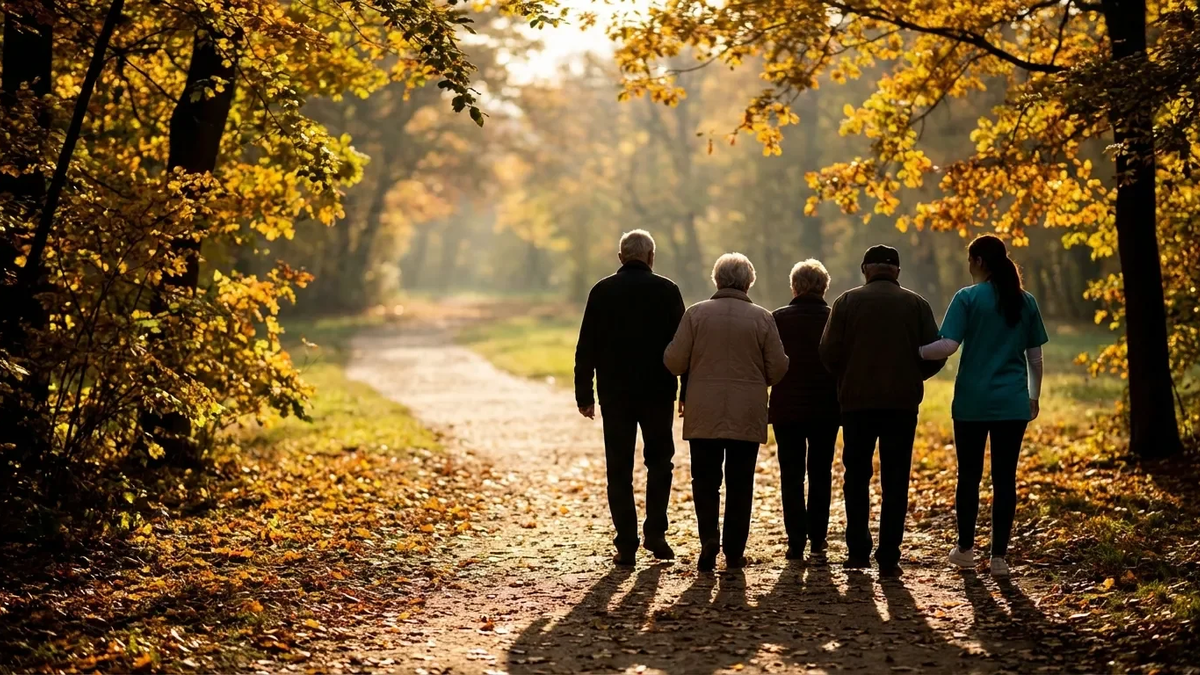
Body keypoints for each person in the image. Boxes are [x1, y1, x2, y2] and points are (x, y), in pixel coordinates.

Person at [919, 235, 1048, 577]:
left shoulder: (967, 298)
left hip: (972, 402)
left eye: (969, 260)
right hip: (1012, 403)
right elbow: (1035, 357)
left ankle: (965, 550)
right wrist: (1033, 396)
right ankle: (999, 558)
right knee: (1005, 479)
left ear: (978, 261)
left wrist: (913, 351)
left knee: (969, 476)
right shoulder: (1026, 301)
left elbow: (946, 346)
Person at [819, 245, 945, 577]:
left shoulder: (846, 302)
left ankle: (858, 551)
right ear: (897, 272)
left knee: (856, 477)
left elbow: (828, 351)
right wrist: (913, 375)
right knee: (896, 479)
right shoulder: (917, 304)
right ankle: (889, 554)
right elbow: (936, 353)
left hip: (857, 403)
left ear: (865, 269)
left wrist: (847, 376)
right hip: (901, 404)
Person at [664, 253, 789, 572]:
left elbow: (674, 362)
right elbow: (776, 368)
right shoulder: (762, 318)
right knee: (740, 481)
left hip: (703, 409)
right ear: (749, 281)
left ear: (716, 280)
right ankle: (734, 550)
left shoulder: (696, 315)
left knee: (704, 479)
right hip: (746, 410)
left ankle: (708, 539)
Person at [574, 229, 686, 566]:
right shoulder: (668, 291)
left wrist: (584, 393)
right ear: (651, 257)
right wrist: (686, 389)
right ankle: (656, 532)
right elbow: (683, 347)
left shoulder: (602, 291)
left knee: (619, 467)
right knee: (660, 462)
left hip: (615, 394)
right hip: (657, 392)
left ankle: (626, 541)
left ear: (620, 257)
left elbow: (586, 346)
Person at [770, 259, 840, 562]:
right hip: (827, 406)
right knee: (821, 472)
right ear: (824, 287)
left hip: (787, 408)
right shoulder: (834, 318)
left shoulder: (778, 318)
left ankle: (795, 540)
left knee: (792, 474)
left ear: (794, 286)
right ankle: (818, 538)